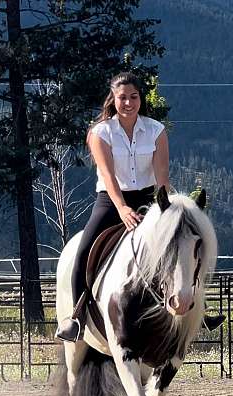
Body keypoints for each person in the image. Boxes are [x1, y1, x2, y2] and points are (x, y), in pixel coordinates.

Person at [56, 72, 170, 341]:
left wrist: (165, 208)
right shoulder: (101, 132)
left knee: (179, 245)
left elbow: (162, 176)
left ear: (140, 98)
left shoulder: (156, 131)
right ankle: (76, 317)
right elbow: (107, 176)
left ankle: (195, 311)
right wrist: (120, 208)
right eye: (122, 98)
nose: (128, 103)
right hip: (110, 201)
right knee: (84, 251)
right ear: (113, 99)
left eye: (133, 97)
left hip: (146, 200)